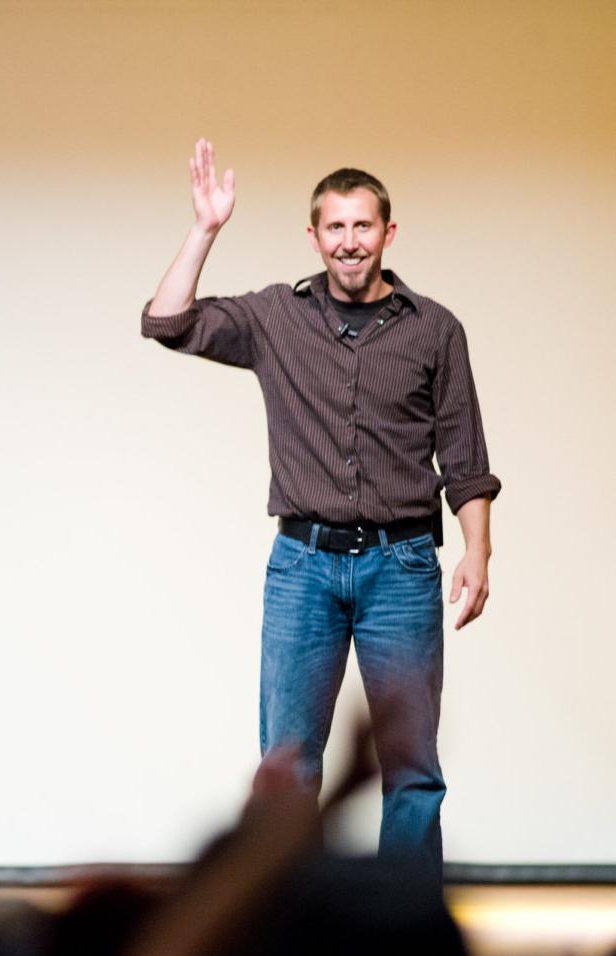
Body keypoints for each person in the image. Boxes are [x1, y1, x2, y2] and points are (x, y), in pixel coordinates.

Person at [141, 138, 501, 881]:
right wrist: (205, 228)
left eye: (362, 226)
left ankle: (400, 941)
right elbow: (166, 322)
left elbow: (463, 459)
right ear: (314, 236)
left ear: (387, 234)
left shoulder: (434, 329)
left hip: (400, 567)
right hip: (301, 567)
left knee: (409, 767)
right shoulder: (276, 316)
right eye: (334, 228)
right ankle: (287, 934)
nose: (348, 242)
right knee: (288, 763)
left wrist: (476, 552)